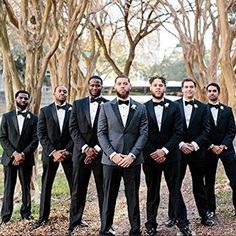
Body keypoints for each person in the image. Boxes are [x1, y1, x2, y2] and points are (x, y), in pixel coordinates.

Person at [97, 75, 148, 236]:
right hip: (111, 160)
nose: (122, 86)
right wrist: (112, 155)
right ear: (115, 86)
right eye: (119, 84)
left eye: (125, 83)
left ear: (130, 86)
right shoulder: (105, 107)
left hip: (132, 161)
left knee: (133, 197)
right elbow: (101, 133)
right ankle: (105, 229)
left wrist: (132, 155)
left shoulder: (140, 108)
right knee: (108, 197)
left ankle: (135, 230)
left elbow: (144, 134)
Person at [143, 76, 192, 236]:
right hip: (150, 157)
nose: (158, 88)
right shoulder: (143, 108)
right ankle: (151, 225)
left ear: (165, 88)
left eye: (161, 85)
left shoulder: (174, 107)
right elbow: (142, 134)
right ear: (151, 87)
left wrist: (164, 151)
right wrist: (154, 152)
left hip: (171, 156)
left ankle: (183, 224)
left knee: (175, 190)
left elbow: (178, 132)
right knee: (152, 191)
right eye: (155, 85)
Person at [168, 77, 214, 227]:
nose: (188, 89)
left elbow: (207, 130)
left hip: (197, 152)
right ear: (182, 89)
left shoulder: (203, 107)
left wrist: (194, 145)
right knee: (175, 184)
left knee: (199, 185)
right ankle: (173, 216)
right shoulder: (173, 106)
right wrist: (180, 144)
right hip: (178, 151)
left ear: (195, 89)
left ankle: (204, 215)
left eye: (191, 87)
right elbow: (170, 129)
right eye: (186, 87)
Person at [67, 76, 108, 235]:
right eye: (92, 84)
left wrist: (96, 149)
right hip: (80, 154)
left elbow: (109, 129)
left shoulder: (109, 104)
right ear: (88, 86)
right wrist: (85, 148)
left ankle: (105, 223)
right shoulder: (77, 104)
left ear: (101, 86)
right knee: (78, 189)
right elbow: (73, 128)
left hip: (101, 154)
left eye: (98, 84)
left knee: (102, 190)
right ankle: (74, 222)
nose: (95, 87)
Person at [34, 85, 73, 228]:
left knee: (74, 186)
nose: (62, 93)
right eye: (60, 91)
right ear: (54, 93)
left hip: (68, 154)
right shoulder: (45, 111)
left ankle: (75, 219)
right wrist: (54, 152)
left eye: (65, 91)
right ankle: (42, 218)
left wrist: (66, 150)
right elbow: (41, 134)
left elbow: (75, 132)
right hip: (50, 155)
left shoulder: (73, 110)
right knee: (46, 186)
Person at [0, 90, 38, 225]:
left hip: (26, 159)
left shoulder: (34, 119)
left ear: (28, 101)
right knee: (8, 187)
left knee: (26, 187)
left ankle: (26, 214)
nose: (23, 100)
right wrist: (14, 154)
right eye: (21, 98)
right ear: (16, 99)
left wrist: (23, 154)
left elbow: (35, 139)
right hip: (9, 158)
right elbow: (3, 138)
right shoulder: (6, 116)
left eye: (26, 98)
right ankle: (5, 217)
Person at [205, 82, 236, 217]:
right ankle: (210, 209)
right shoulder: (202, 110)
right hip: (209, 149)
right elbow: (201, 131)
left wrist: (223, 146)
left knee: (235, 178)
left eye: (214, 91)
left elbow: (232, 130)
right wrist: (212, 146)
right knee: (209, 180)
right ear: (207, 93)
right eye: (210, 91)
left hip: (226, 149)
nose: (212, 93)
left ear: (219, 92)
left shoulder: (228, 110)